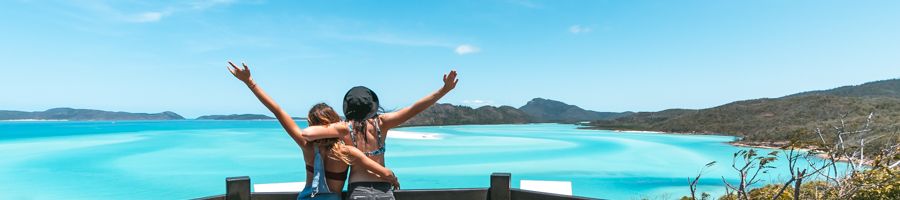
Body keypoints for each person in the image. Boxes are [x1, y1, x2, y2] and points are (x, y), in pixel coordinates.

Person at [227, 61, 399, 200]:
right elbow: (383, 172)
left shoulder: (306, 145)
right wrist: (392, 178)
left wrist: (250, 83)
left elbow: (277, 111)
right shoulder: (346, 151)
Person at [304, 70, 458, 200]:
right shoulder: (382, 123)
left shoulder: (344, 128)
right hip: (384, 189)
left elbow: (307, 133)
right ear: (372, 105)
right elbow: (414, 109)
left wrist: (335, 125)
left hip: (358, 190)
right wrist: (444, 90)